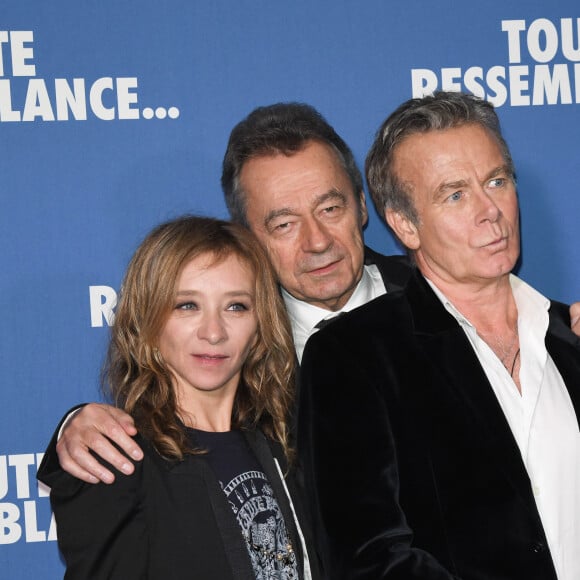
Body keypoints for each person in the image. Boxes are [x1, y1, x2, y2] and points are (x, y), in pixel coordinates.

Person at [46, 102, 580, 485]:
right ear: (248, 237)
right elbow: (163, 429)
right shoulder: (227, 343)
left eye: (330, 209)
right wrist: (75, 427)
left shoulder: (455, 292)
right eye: (283, 224)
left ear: (366, 209)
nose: (318, 242)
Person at [297, 91, 580, 579]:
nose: (489, 209)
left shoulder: (569, 337)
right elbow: (367, 559)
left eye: (496, 180)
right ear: (405, 225)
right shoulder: (353, 355)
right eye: (455, 194)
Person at [37, 215, 319, 579]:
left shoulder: (285, 441)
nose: (214, 332)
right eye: (187, 305)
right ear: (148, 319)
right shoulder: (118, 457)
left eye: (236, 306)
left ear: (261, 324)